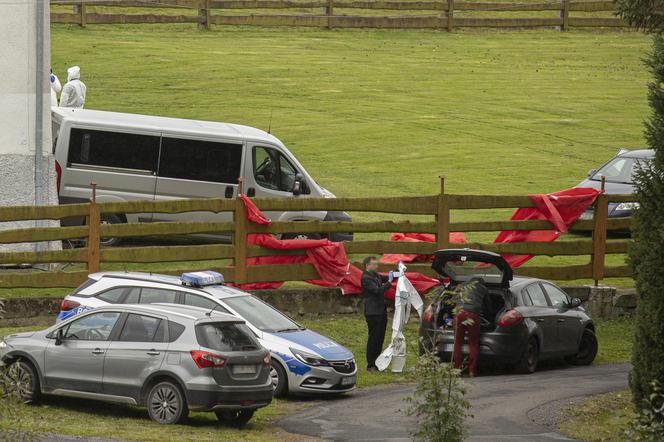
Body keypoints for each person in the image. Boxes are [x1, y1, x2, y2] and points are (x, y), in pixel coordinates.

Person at [361, 256, 394, 372]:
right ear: (367, 265)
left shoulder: (375, 275)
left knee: (380, 338)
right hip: (372, 312)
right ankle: (370, 365)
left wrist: (395, 274)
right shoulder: (366, 278)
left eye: (377, 264)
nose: (376, 266)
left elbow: (384, 278)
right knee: (373, 338)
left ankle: (377, 363)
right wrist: (389, 282)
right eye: (374, 264)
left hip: (381, 311)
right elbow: (377, 290)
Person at [453, 278, 489, 377]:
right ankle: (472, 371)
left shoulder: (463, 285)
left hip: (459, 313)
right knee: (473, 343)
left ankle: (457, 370)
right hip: (473, 315)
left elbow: (454, 300)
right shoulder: (484, 289)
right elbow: (487, 307)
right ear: (482, 283)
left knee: (458, 343)